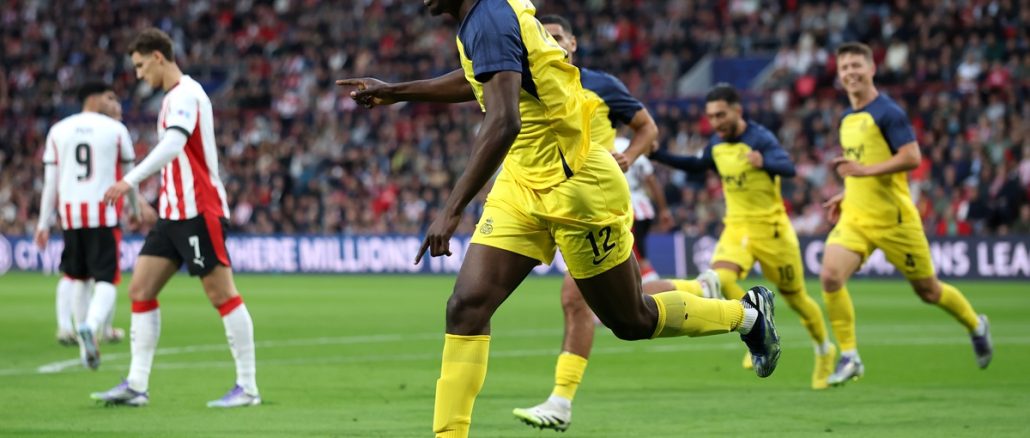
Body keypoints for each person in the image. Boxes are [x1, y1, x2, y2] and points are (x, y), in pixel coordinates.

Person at [338, 1, 779, 436]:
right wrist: (396, 91)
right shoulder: (480, 20)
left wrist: (452, 209)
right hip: (522, 184)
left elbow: (504, 120)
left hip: (577, 186)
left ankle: (746, 316)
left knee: (631, 320)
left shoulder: (489, 17)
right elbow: (479, 80)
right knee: (466, 307)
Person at [509, 15, 697, 431]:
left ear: (573, 42)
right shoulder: (528, 84)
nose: (552, 43)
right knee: (627, 303)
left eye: (558, 37)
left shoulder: (601, 84)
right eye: (544, 38)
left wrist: (631, 156)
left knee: (578, 301)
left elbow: (648, 127)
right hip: (552, 204)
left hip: (600, 205)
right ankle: (705, 292)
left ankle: (561, 401)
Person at [90, 28, 259, 408]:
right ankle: (137, 384)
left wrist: (129, 181)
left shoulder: (186, 94)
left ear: (158, 57)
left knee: (222, 294)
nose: (137, 75)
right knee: (140, 290)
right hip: (172, 213)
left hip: (200, 210)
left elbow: (175, 143)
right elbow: (176, 156)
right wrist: (152, 203)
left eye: (139, 65)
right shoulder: (174, 97)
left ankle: (248, 387)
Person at [821, 42, 992, 385]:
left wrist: (863, 173)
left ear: (872, 69)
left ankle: (975, 324)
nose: (851, 72)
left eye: (857, 65)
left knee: (928, 291)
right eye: (845, 67)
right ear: (839, 75)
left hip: (895, 221)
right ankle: (850, 355)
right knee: (830, 277)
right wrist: (848, 190)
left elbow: (911, 157)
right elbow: (863, 165)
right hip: (856, 217)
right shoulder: (846, 118)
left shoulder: (888, 112)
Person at [648, 84, 836, 391]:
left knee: (797, 299)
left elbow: (787, 167)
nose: (716, 122)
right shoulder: (717, 144)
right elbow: (697, 165)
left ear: (738, 110)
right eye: (711, 116)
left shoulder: (760, 138)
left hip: (772, 231)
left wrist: (766, 163)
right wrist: (660, 155)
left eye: (721, 114)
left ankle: (824, 350)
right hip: (736, 227)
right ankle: (757, 331)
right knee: (719, 279)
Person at [36, 81, 143, 368]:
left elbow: (51, 183)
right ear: (95, 98)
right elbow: (129, 178)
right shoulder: (116, 130)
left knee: (78, 279)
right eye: (108, 97)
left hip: (71, 217)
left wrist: (43, 223)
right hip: (104, 214)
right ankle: (93, 326)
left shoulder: (59, 130)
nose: (112, 102)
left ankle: (85, 347)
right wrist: (134, 209)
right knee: (106, 279)